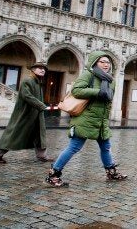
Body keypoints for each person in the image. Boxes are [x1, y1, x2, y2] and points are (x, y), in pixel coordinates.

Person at [45, 51, 127, 187]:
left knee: (106, 147)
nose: (106, 64)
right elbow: (76, 90)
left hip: (101, 120)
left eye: (108, 62)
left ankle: (111, 172)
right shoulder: (89, 74)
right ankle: (53, 174)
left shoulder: (110, 80)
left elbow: (108, 99)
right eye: (102, 62)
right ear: (95, 62)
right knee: (74, 147)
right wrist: (98, 92)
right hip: (85, 118)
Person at [0, 62, 54, 163]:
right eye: (39, 68)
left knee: (39, 134)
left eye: (44, 69)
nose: (43, 70)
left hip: (36, 114)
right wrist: (41, 106)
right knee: (14, 135)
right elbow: (26, 96)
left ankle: (42, 156)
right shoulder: (28, 80)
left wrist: (40, 107)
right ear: (33, 70)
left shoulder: (38, 82)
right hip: (25, 114)